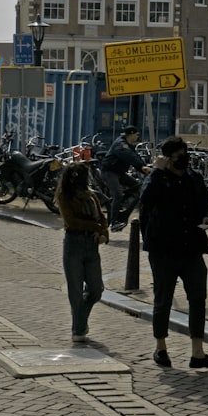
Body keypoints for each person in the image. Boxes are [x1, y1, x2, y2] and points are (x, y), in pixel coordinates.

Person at [138, 135, 208, 369]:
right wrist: (156, 171)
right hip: (164, 250)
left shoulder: (193, 178)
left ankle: (198, 353)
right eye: (177, 157)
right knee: (162, 299)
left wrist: (207, 216)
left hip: (191, 248)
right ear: (167, 159)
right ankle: (161, 349)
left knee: (198, 298)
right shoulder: (157, 179)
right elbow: (144, 200)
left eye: (185, 155)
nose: (183, 160)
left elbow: (205, 202)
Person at [55, 162, 109, 343]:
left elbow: (101, 217)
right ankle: (78, 329)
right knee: (75, 290)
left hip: (92, 246)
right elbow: (71, 221)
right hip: (74, 244)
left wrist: (103, 232)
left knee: (96, 289)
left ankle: (80, 322)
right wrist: (94, 226)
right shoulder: (65, 196)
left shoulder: (91, 195)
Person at [100, 125, 149, 232]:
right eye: (136, 134)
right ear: (131, 134)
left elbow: (134, 156)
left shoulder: (128, 144)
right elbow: (128, 156)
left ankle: (122, 214)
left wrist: (144, 167)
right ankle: (114, 223)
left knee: (137, 187)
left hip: (119, 172)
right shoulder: (120, 144)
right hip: (109, 172)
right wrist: (141, 166)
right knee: (118, 194)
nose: (137, 137)